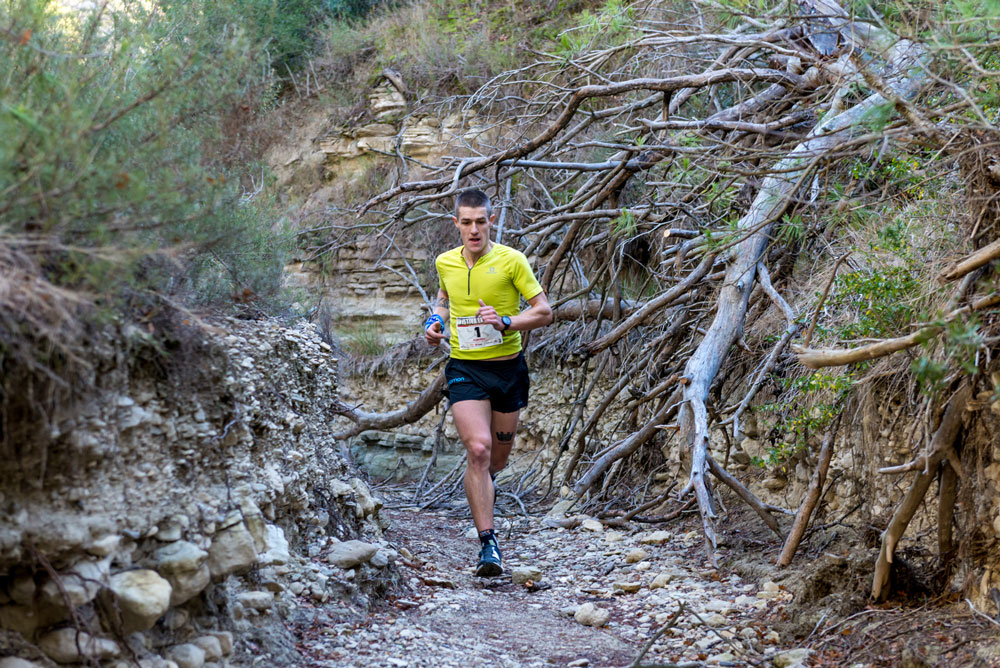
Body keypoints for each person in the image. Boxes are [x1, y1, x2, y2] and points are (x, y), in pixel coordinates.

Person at [424, 188, 553, 577]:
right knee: (478, 450)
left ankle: (484, 487)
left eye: (481, 221)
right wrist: (435, 323)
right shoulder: (445, 261)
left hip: (508, 371)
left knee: (496, 459)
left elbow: (544, 312)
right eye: (466, 222)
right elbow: (443, 299)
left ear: (490, 221)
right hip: (465, 367)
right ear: (456, 224)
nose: (474, 229)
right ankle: (488, 545)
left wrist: (507, 322)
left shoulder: (512, 261)